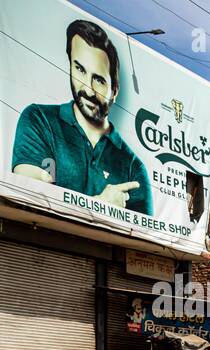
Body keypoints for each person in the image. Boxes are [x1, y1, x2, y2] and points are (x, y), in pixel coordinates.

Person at [10, 19, 152, 215]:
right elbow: (28, 196)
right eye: (80, 70)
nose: (87, 89)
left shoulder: (132, 167)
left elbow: (144, 237)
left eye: (99, 80)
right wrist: (99, 205)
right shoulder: (39, 120)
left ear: (115, 91)